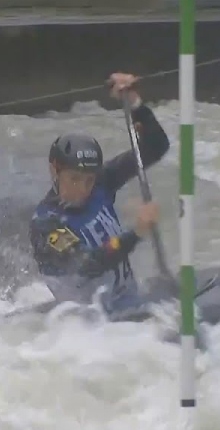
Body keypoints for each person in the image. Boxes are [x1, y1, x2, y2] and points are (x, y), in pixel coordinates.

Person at [28, 72, 171, 317]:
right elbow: (88, 263)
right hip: (90, 329)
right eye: (74, 179)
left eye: (88, 180)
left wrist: (135, 105)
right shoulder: (46, 224)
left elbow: (156, 147)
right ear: (55, 170)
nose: (83, 189)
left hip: (128, 306)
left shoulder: (100, 184)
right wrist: (136, 233)